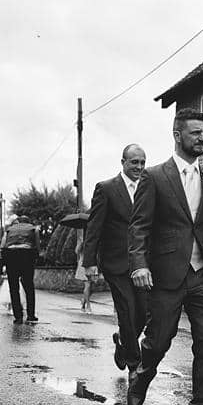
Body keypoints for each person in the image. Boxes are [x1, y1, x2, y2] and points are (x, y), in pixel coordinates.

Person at [127, 108, 203, 405]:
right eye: (196, 133)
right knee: (159, 340)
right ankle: (144, 373)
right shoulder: (155, 177)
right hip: (166, 274)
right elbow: (139, 227)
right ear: (178, 136)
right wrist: (139, 265)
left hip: (202, 274)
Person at [83, 144, 149, 375]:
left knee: (144, 311)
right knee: (127, 310)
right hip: (115, 262)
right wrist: (89, 262)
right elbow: (94, 227)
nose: (139, 167)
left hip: (143, 263)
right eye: (134, 162)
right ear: (123, 162)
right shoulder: (106, 189)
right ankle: (134, 364)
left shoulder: (149, 188)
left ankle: (122, 341)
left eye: (142, 162)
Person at [0, 213, 41, 323]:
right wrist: (36, 256)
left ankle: (18, 317)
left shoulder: (9, 229)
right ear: (28, 222)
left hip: (11, 255)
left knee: (14, 287)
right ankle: (31, 315)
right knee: (29, 286)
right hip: (26, 255)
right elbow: (37, 245)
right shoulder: (33, 229)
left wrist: (3, 259)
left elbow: (3, 245)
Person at [74, 235, 94, 312]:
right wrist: (81, 244)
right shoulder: (82, 241)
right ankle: (88, 306)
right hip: (83, 264)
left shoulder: (93, 239)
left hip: (92, 264)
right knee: (87, 285)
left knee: (91, 288)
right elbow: (77, 252)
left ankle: (83, 302)